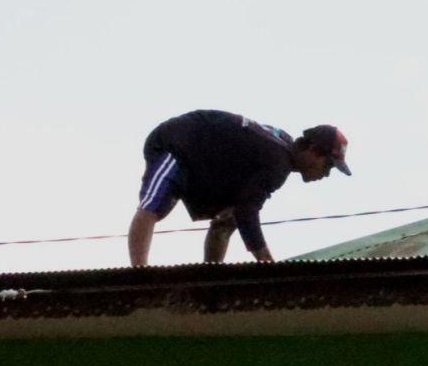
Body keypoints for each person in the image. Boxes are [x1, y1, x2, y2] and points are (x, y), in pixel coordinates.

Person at [127, 109, 351, 265]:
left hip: (204, 160)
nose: (326, 174)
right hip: (176, 142)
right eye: (328, 167)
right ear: (313, 151)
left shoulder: (281, 149)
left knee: (226, 221)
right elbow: (248, 212)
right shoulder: (278, 163)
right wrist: (266, 264)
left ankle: (211, 278)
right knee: (154, 206)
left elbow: (243, 209)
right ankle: (140, 273)